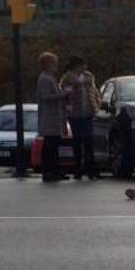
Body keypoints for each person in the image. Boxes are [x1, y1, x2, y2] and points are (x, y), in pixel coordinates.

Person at [60, 55, 101, 180]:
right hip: (75, 113)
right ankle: (78, 169)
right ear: (76, 65)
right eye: (82, 65)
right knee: (77, 142)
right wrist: (67, 106)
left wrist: (97, 104)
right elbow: (65, 94)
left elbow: (94, 91)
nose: (84, 67)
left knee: (89, 141)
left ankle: (91, 170)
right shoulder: (67, 78)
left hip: (88, 111)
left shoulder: (88, 76)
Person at [37, 51, 71, 183]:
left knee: (53, 145)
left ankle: (54, 170)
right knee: (50, 146)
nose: (56, 65)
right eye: (54, 63)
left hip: (53, 117)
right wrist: (64, 93)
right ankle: (50, 171)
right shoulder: (45, 79)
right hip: (50, 118)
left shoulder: (49, 78)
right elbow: (46, 97)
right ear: (49, 64)